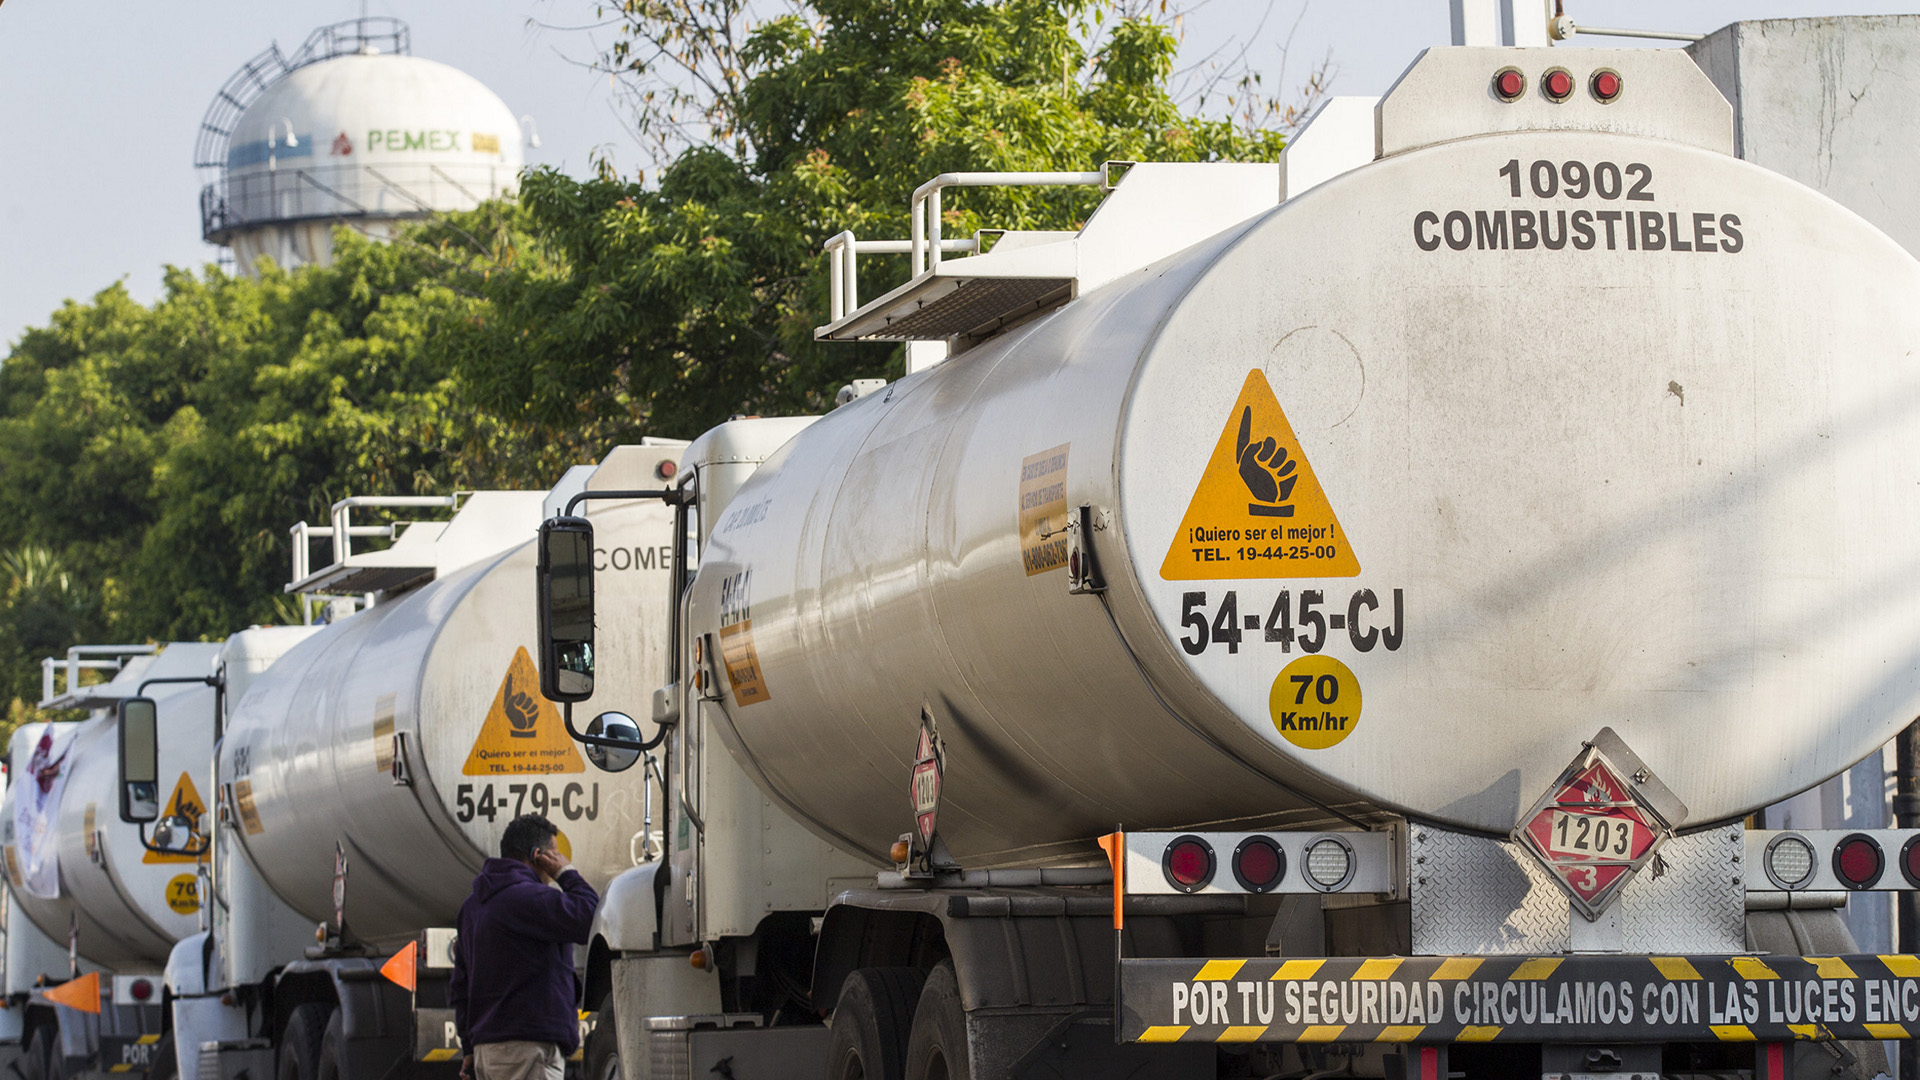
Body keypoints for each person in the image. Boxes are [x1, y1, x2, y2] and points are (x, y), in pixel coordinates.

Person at [450, 814, 600, 1080]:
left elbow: (461, 985)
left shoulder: (472, 906)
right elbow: (591, 916)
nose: (558, 862)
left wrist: (470, 1047)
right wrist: (567, 874)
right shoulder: (529, 899)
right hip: (527, 1048)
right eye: (555, 855)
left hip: (489, 1048)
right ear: (539, 856)